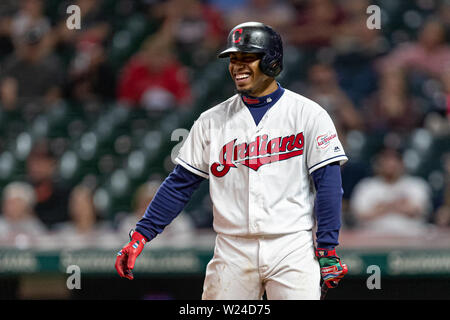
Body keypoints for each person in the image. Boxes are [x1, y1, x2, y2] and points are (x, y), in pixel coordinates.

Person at [115, 22, 348, 300]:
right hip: (232, 249)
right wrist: (142, 234)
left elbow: (329, 184)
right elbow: (179, 184)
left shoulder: (309, 114)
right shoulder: (211, 121)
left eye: (247, 57)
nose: (237, 66)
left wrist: (327, 248)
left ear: (272, 60)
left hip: (292, 246)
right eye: (233, 59)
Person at [350, 147, 432, 235]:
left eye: (395, 160)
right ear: (378, 163)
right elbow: (360, 215)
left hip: (411, 237)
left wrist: (381, 207)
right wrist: (398, 205)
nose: (390, 164)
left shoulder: (416, 185)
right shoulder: (366, 186)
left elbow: (418, 211)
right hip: (373, 238)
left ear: (402, 163)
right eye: (386, 160)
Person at [0, 181, 47, 247]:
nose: (12, 206)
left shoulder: (34, 225)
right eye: (9, 202)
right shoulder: (1, 224)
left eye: (17, 202)